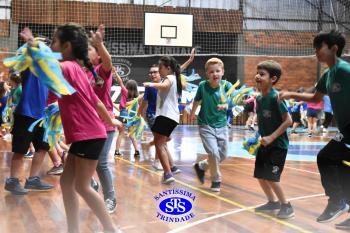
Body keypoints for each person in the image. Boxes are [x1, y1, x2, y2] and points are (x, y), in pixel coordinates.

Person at [38, 23, 121, 232]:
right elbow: (97, 102)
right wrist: (111, 122)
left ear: (66, 46)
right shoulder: (77, 71)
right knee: (67, 184)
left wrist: (35, 50)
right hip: (88, 135)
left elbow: (50, 67)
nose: (51, 44)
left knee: (82, 186)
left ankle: (111, 229)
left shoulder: (66, 67)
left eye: (54, 41)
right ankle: (73, 229)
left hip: (89, 135)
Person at [280, 30, 350, 228]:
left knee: (326, 157)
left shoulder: (345, 71)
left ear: (334, 48)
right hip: (345, 127)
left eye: (319, 47)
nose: (316, 52)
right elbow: (316, 98)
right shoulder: (328, 75)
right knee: (343, 166)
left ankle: (337, 201)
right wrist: (290, 94)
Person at [253, 60, 294, 219]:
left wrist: (271, 137)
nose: (257, 76)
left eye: (262, 74)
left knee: (271, 176)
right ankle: (272, 202)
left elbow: (288, 121)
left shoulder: (276, 97)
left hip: (278, 145)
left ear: (273, 79)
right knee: (260, 175)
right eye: (257, 73)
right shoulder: (259, 99)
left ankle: (286, 205)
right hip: (265, 144)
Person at [87, 24, 120, 214]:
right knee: (76, 159)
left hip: (106, 124)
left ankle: (110, 198)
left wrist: (99, 44)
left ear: (98, 55)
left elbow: (108, 62)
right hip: (88, 123)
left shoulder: (101, 70)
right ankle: (89, 182)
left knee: (101, 163)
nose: (87, 51)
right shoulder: (84, 72)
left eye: (91, 49)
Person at [190, 58, 232, 192]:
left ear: (222, 72)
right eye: (212, 71)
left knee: (223, 154)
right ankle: (216, 180)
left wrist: (227, 105)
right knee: (213, 152)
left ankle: (202, 166)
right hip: (205, 124)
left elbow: (234, 100)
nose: (215, 74)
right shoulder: (203, 85)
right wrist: (192, 113)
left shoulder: (226, 85)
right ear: (207, 73)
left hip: (222, 125)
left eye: (218, 71)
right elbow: (196, 100)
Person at [143, 56, 182, 184]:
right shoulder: (174, 77)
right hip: (173, 117)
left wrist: (151, 84)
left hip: (166, 116)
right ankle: (170, 169)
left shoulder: (169, 78)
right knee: (162, 143)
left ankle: (167, 173)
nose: (158, 70)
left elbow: (165, 86)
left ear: (168, 68)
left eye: (160, 68)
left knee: (159, 144)